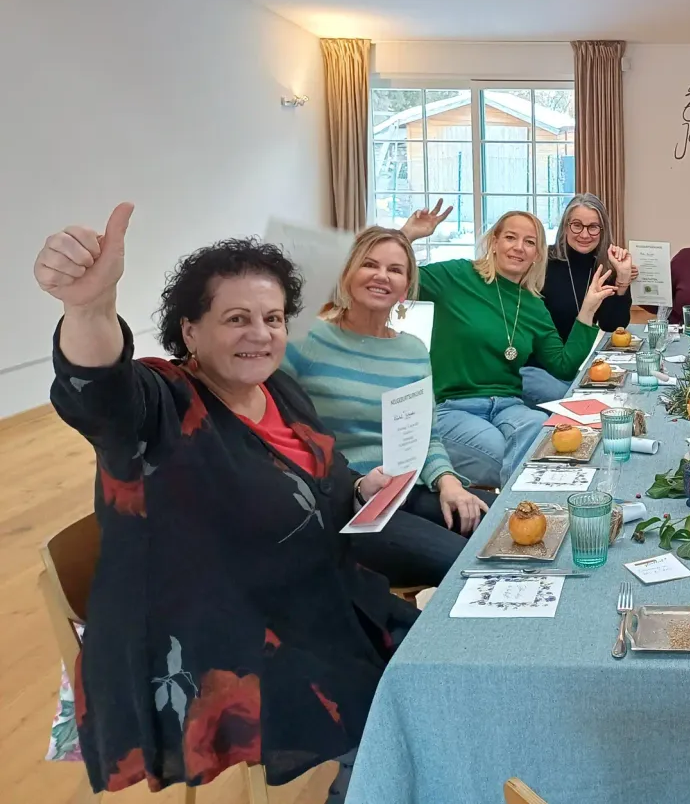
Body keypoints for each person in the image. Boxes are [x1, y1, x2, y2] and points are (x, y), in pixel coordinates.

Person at [34, 204, 415, 800]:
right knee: (389, 721)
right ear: (190, 330)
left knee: (435, 664)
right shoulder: (162, 405)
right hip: (223, 635)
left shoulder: (278, 390)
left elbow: (321, 467)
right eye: (236, 318)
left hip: (315, 597)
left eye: (272, 317)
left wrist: (361, 485)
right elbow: (100, 392)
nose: (260, 334)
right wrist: (89, 306)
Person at [282, 226, 494, 587]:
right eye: (369, 265)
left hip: (409, 488)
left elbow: (428, 435)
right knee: (470, 564)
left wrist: (448, 482)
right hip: (349, 504)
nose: (382, 276)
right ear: (348, 271)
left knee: (509, 529)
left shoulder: (412, 350)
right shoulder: (306, 340)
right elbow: (272, 426)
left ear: (407, 285)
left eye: (395, 270)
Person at [402, 207, 614, 488]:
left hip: (508, 406)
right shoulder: (456, 276)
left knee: (543, 438)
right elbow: (393, 276)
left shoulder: (533, 305)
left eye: (529, 242)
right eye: (511, 238)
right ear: (494, 242)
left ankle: (536, 512)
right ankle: (522, 518)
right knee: (504, 456)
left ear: (538, 254)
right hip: (453, 407)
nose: (519, 248)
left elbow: (563, 364)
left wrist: (588, 309)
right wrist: (407, 236)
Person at [519, 193, 636, 405]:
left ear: (603, 231)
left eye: (593, 227)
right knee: (587, 405)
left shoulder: (602, 266)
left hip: (578, 365)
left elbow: (613, 325)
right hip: (538, 369)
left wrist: (623, 279)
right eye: (577, 225)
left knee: (625, 397)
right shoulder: (541, 263)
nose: (584, 234)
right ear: (565, 227)